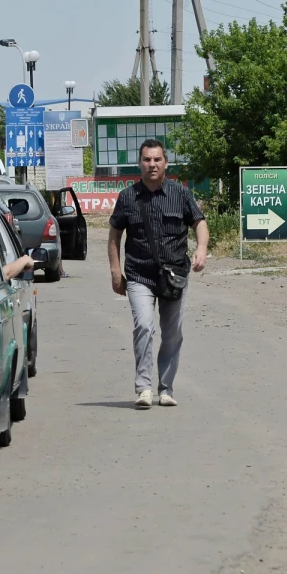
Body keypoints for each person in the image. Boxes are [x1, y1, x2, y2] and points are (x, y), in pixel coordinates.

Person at [107, 139, 209, 410]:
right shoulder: (128, 197)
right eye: (146, 159)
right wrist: (116, 272)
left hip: (175, 276)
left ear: (165, 163)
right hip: (139, 274)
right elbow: (115, 236)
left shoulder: (180, 193)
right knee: (144, 325)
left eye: (157, 160)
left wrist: (201, 248)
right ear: (139, 163)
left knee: (172, 332)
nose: (152, 164)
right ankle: (144, 388)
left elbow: (199, 222)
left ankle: (165, 388)